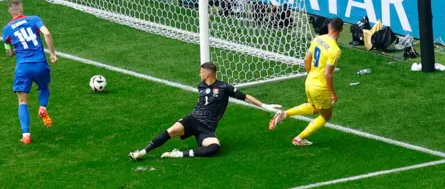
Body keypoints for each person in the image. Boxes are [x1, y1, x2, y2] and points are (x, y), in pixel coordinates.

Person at [129, 62, 280, 160]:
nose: (199, 74)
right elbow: (200, 101)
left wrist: (264, 106)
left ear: (208, 74)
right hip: (193, 120)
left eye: (201, 72)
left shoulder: (224, 87)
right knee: (172, 130)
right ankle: (142, 152)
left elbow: (245, 97)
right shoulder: (200, 86)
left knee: (215, 147)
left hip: (207, 128)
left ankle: (178, 154)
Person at [268, 18, 343, 146]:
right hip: (320, 87)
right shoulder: (335, 51)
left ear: (329, 27)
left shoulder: (318, 39)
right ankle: (299, 138)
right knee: (326, 116)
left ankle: (285, 114)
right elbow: (328, 74)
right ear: (341, 31)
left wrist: (311, 75)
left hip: (309, 82)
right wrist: (333, 93)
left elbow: (306, 60)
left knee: (314, 108)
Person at [2, 0, 58, 144]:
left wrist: (17, 48)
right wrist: (52, 53)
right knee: (44, 87)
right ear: (21, 9)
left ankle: (26, 135)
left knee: (22, 102)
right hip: (40, 64)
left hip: (23, 68)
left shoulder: (7, 29)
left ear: (10, 12)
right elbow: (47, 34)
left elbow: (9, 53)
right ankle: (42, 107)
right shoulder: (34, 19)